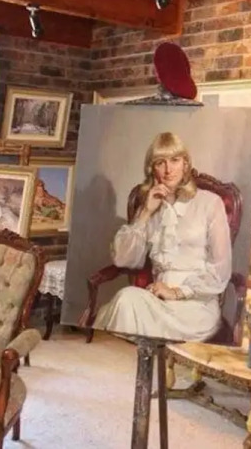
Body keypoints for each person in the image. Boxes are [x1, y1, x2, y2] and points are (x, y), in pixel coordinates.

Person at [93, 132, 232, 342]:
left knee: (124, 307)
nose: (168, 169)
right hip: (157, 300)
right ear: (152, 169)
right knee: (126, 299)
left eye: (175, 160)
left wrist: (176, 292)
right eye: (160, 162)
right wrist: (146, 212)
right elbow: (123, 259)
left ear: (185, 164)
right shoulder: (152, 205)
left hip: (196, 306)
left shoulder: (210, 203)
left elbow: (221, 269)